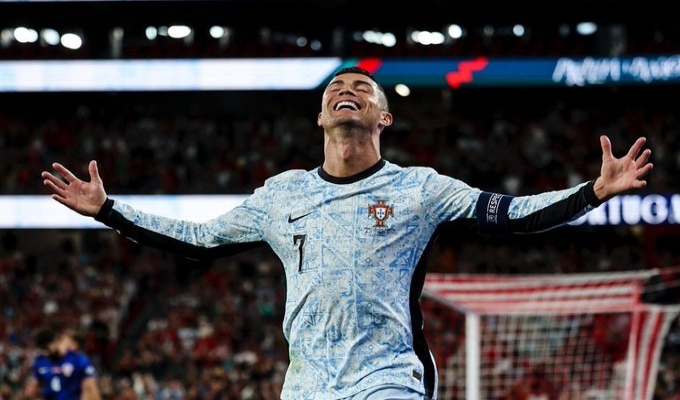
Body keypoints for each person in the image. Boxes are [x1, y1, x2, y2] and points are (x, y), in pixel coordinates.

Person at [41, 66, 653, 400]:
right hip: (306, 382)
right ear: (320, 115)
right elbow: (197, 239)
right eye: (336, 87)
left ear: (384, 117)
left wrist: (592, 192)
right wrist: (109, 210)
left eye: (362, 88)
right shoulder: (282, 195)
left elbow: (510, 213)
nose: (346, 90)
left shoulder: (420, 188)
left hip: (388, 375)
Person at [26, 327, 102, 400]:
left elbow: (91, 389)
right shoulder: (40, 362)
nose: (46, 353)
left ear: (55, 342)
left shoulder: (78, 359)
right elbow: (30, 391)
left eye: (47, 349)